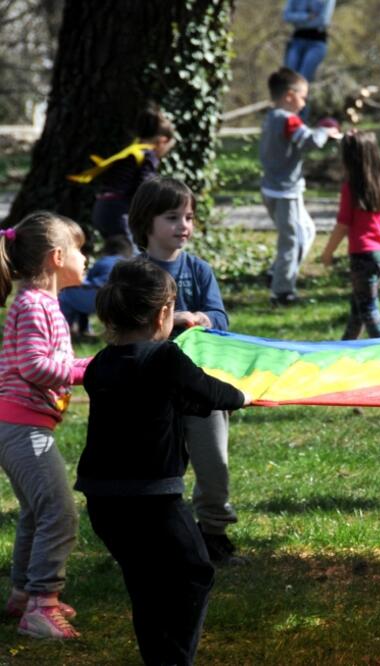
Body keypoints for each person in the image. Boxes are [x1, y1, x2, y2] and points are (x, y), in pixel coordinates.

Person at [77, 257, 250, 665]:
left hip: (103, 502)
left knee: (146, 585)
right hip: (152, 501)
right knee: (194, 574)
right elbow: (207, 391)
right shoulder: (165, 359)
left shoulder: (100, 364)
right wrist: (243, 396)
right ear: (163, 315)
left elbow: (159, 400)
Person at [128, 177, 242, 565]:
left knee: (213, 464)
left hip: (200, 386)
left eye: (189, 217)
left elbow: (221, 318)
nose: (183, 225)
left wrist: (203, 319)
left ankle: (213, 533)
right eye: (172, 217)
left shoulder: (199, 270)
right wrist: (166, 320)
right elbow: (122, 323)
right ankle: (151, 535)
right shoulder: (133, 273)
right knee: (156, 468)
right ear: (146, 221)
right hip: (150, 390)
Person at [0, 212, 89, 639]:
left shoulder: (41, 302)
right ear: (56, 257)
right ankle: (42, 605)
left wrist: (85, 365)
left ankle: (23, 594)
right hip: (21, 427)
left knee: (37, 512)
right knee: (59, 512)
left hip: (19, 423)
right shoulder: (35, 304)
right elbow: (35, 366)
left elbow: (47, 362)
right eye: (80, 250)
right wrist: (83, 372)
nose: (86, 259)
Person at [260, 66, 342, 306]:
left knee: (307, 231)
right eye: (303, 97)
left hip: (272, 188)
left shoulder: (271, 117)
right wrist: (326, 131)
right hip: (285, 192)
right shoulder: (289, 120)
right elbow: (311, 142)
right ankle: (282, 291)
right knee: (292, 240)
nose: (304, 103)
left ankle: (277, 272)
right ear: (289, 95)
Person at [319, 131, 380, 340]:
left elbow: (343, 225)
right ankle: (345, 346)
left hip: (362, 257)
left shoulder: (351, 189)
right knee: (358, 308)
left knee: (369, 309)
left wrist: (327, 253)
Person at [69, 102, 175, 245]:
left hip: (102, 207)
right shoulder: (148, 155)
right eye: (168, 148)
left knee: (116, 250)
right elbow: (144, 188)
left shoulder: (131, 151)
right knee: (130, 252)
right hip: (118, 211)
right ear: (162, 141)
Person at [58, 235, 133, 339]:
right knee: (80, 302)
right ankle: (85, 331)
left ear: (107, 249)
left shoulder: (104, 261)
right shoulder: (128, 264)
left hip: (98, 297)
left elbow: (89, 282)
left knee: (65, 297)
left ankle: (63, 332)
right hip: (120, 300)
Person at [283, 0, 336, 82]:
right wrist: (306, 17)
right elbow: (286, 16)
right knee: (288, 78)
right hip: (297, 40)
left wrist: (298, 22)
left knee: (302, 79)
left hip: (317, 42)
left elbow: (323, 20)